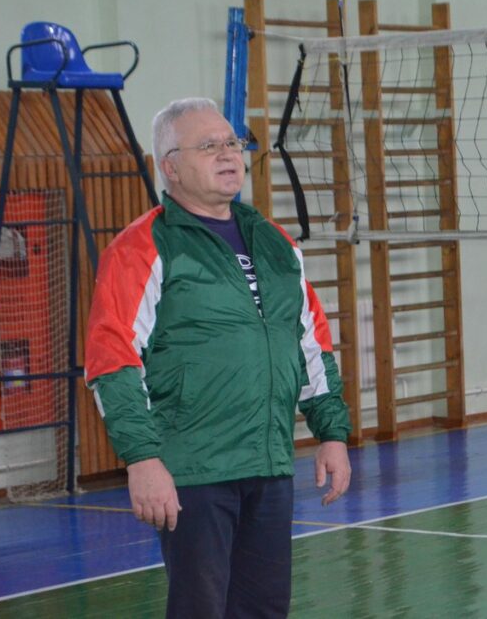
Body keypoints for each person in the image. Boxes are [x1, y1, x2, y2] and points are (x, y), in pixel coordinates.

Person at [84, 97, 352, 618]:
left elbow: (311, 344)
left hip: (269, 464)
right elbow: (112, 358)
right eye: (209, 146)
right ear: (171, 167)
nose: (229, 154)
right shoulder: (142, 248)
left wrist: (332, 433)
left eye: (232, 142)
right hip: (194, 469)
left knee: (264, 610)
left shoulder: (276, 244)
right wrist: (142, 459)